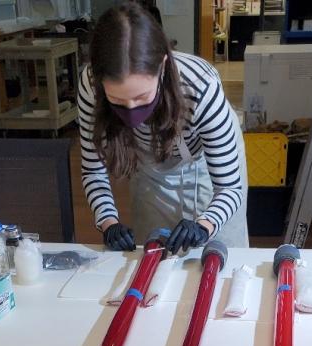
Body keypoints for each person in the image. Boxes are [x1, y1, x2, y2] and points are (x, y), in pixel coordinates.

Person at [78, 1, 248, 253]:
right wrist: (108, 222)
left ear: (162, 66)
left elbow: (229, 187)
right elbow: (93, 171)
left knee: (218, 253)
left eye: (142, 98)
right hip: (149, 164)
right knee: (155, 249)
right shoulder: (91, 88)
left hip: (204, 162)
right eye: (117, 101)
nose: (132, 113)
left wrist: (204, 225)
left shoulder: (201, 87)